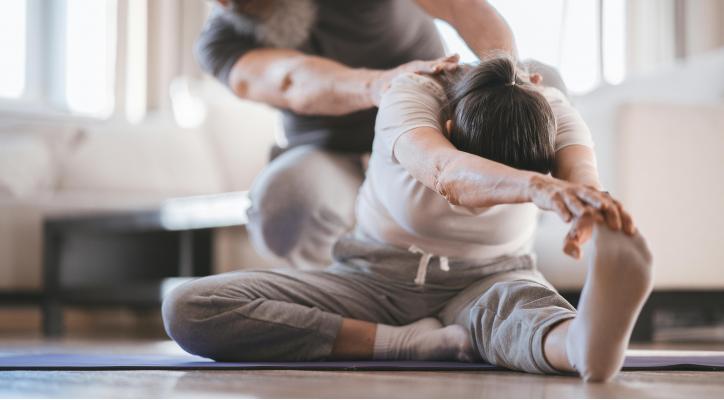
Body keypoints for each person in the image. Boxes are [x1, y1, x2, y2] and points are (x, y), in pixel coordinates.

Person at [162, 50, 654, 382]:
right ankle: (402, 343)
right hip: (371, 277)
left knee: (524, 317)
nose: (487, 205)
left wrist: (590, 207)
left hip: (490, 278)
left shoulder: (550, 107)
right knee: (189, 307)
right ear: (448, 125)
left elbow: (583, 176)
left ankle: (583, 344)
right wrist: (534, 186)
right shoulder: (413, 95)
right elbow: (444, 170)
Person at [197, 0, 521, 269]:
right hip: (332, 154)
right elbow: (291, 80)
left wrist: (506, 74)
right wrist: (378, 85)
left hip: (429, 132)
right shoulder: (221, 41)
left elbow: (458, 6)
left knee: (543, 80)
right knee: (283, 207)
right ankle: (353, 304)